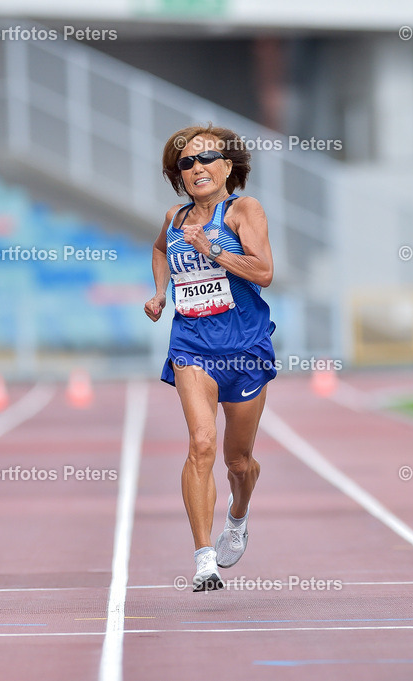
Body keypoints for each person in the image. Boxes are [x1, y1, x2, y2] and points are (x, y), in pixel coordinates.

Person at [144, 125, 276, 591]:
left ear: (227, 167)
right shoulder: (175, 218)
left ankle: (237, 518)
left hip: (244, 348)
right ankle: (204, 560)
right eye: (185, 163)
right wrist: (160, 294)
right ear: (177, 175)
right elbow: (161, 249)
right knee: (201, 443)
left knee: (238, 461)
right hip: (192, 345)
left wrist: (213, 249)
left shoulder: (243, 210)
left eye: (206, 159)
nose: (196, 168)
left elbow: (264, 272)